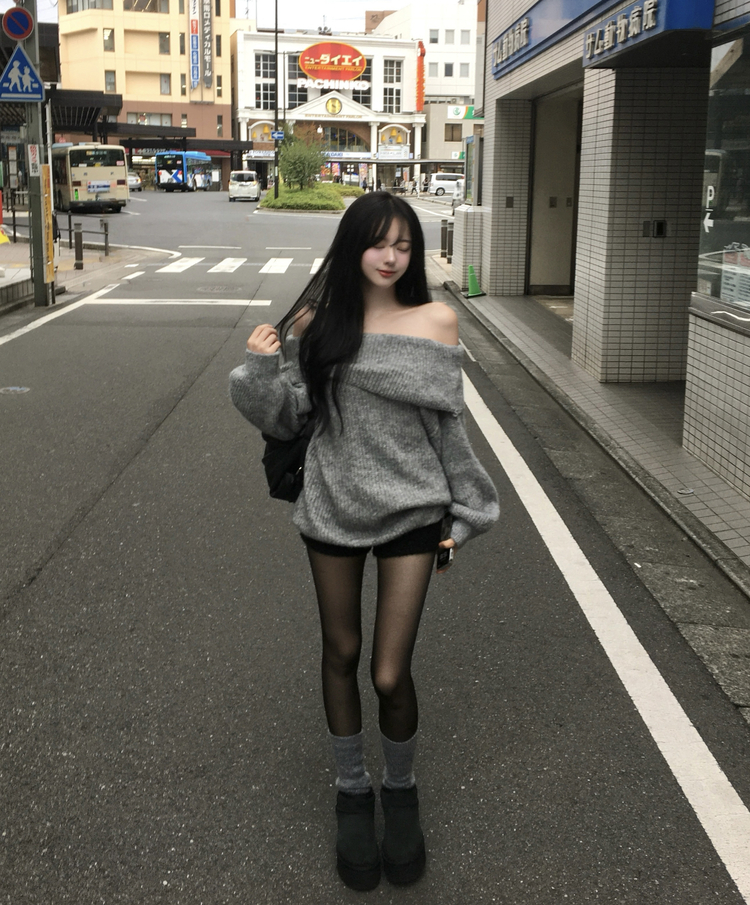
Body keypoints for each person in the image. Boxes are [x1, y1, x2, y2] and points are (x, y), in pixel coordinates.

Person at [229, 192, 498, 891]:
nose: (391, 257)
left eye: (404, 246)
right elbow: (290, 418)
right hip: (333, 503)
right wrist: (260, 371)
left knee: (388, 672)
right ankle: (353, 791)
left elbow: (448, 428)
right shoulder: (316, 324)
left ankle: (399, 791)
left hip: (413, 508)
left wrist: (467, 511)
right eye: (378, 243)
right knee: (340, 652)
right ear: (353, 247)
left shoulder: (436, 321)